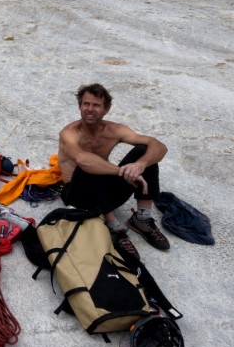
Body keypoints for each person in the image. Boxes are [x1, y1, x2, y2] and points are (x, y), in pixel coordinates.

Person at [58, 84, 170, 259]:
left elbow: (159, 146)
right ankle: (114, 228)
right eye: (86, 104)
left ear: (106, 109)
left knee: (143, 151)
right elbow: (82, 160)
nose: (90, 109)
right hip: (77, 195)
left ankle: (141, 219)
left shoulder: (114, 130)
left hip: (104, 192)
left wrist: (139, 165)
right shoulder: (70, 133)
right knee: (87, 165)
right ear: (79, 106)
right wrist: (122, 172)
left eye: (96, 105)